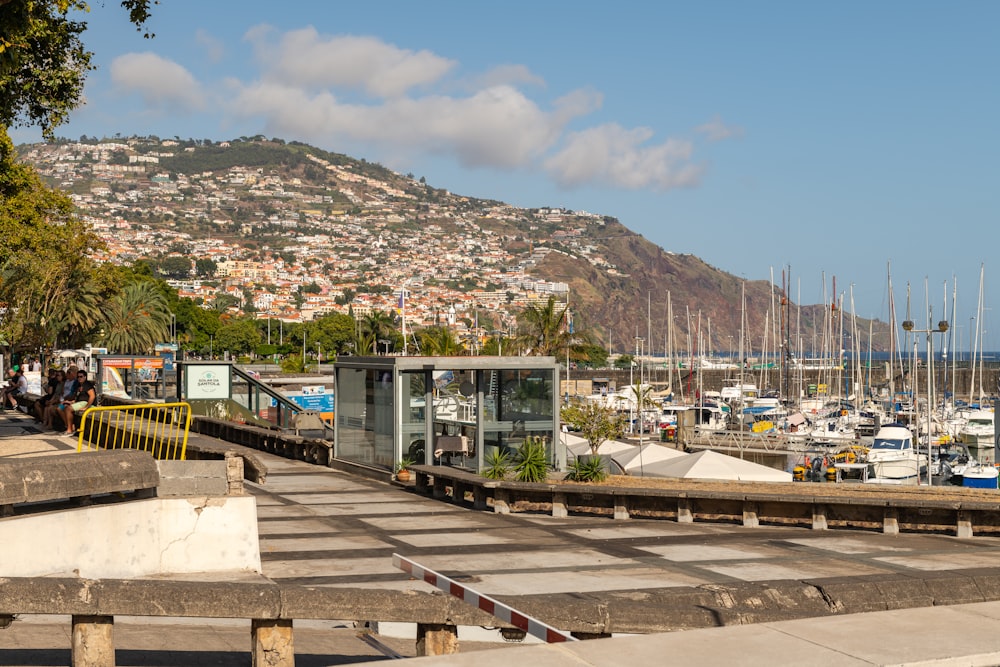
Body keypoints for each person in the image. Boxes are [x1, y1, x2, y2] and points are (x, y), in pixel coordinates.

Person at [60, 369, 96, 436]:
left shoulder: (87, 385)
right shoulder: (79, 386)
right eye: (78, 377)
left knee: (68, 409)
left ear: (85, 377)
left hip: (85, 403)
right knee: (62, 407)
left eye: (81, 376)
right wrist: (70, 402)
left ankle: (69, 430)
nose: (79, 378)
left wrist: (86, 407)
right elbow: (78, 398)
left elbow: (92, 396)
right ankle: (70, 426)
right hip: (80, 402)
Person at [45, 366, 77, 432]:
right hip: (63, 399)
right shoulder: (66, 381)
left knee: (59, 408)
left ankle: (68, 426)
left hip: (68, 400)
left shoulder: (75, 382)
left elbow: (73, 393)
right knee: (50, 408)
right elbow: (62, 392)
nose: (67, 375)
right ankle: (66, 425)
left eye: (69, 373)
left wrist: (66, 399)